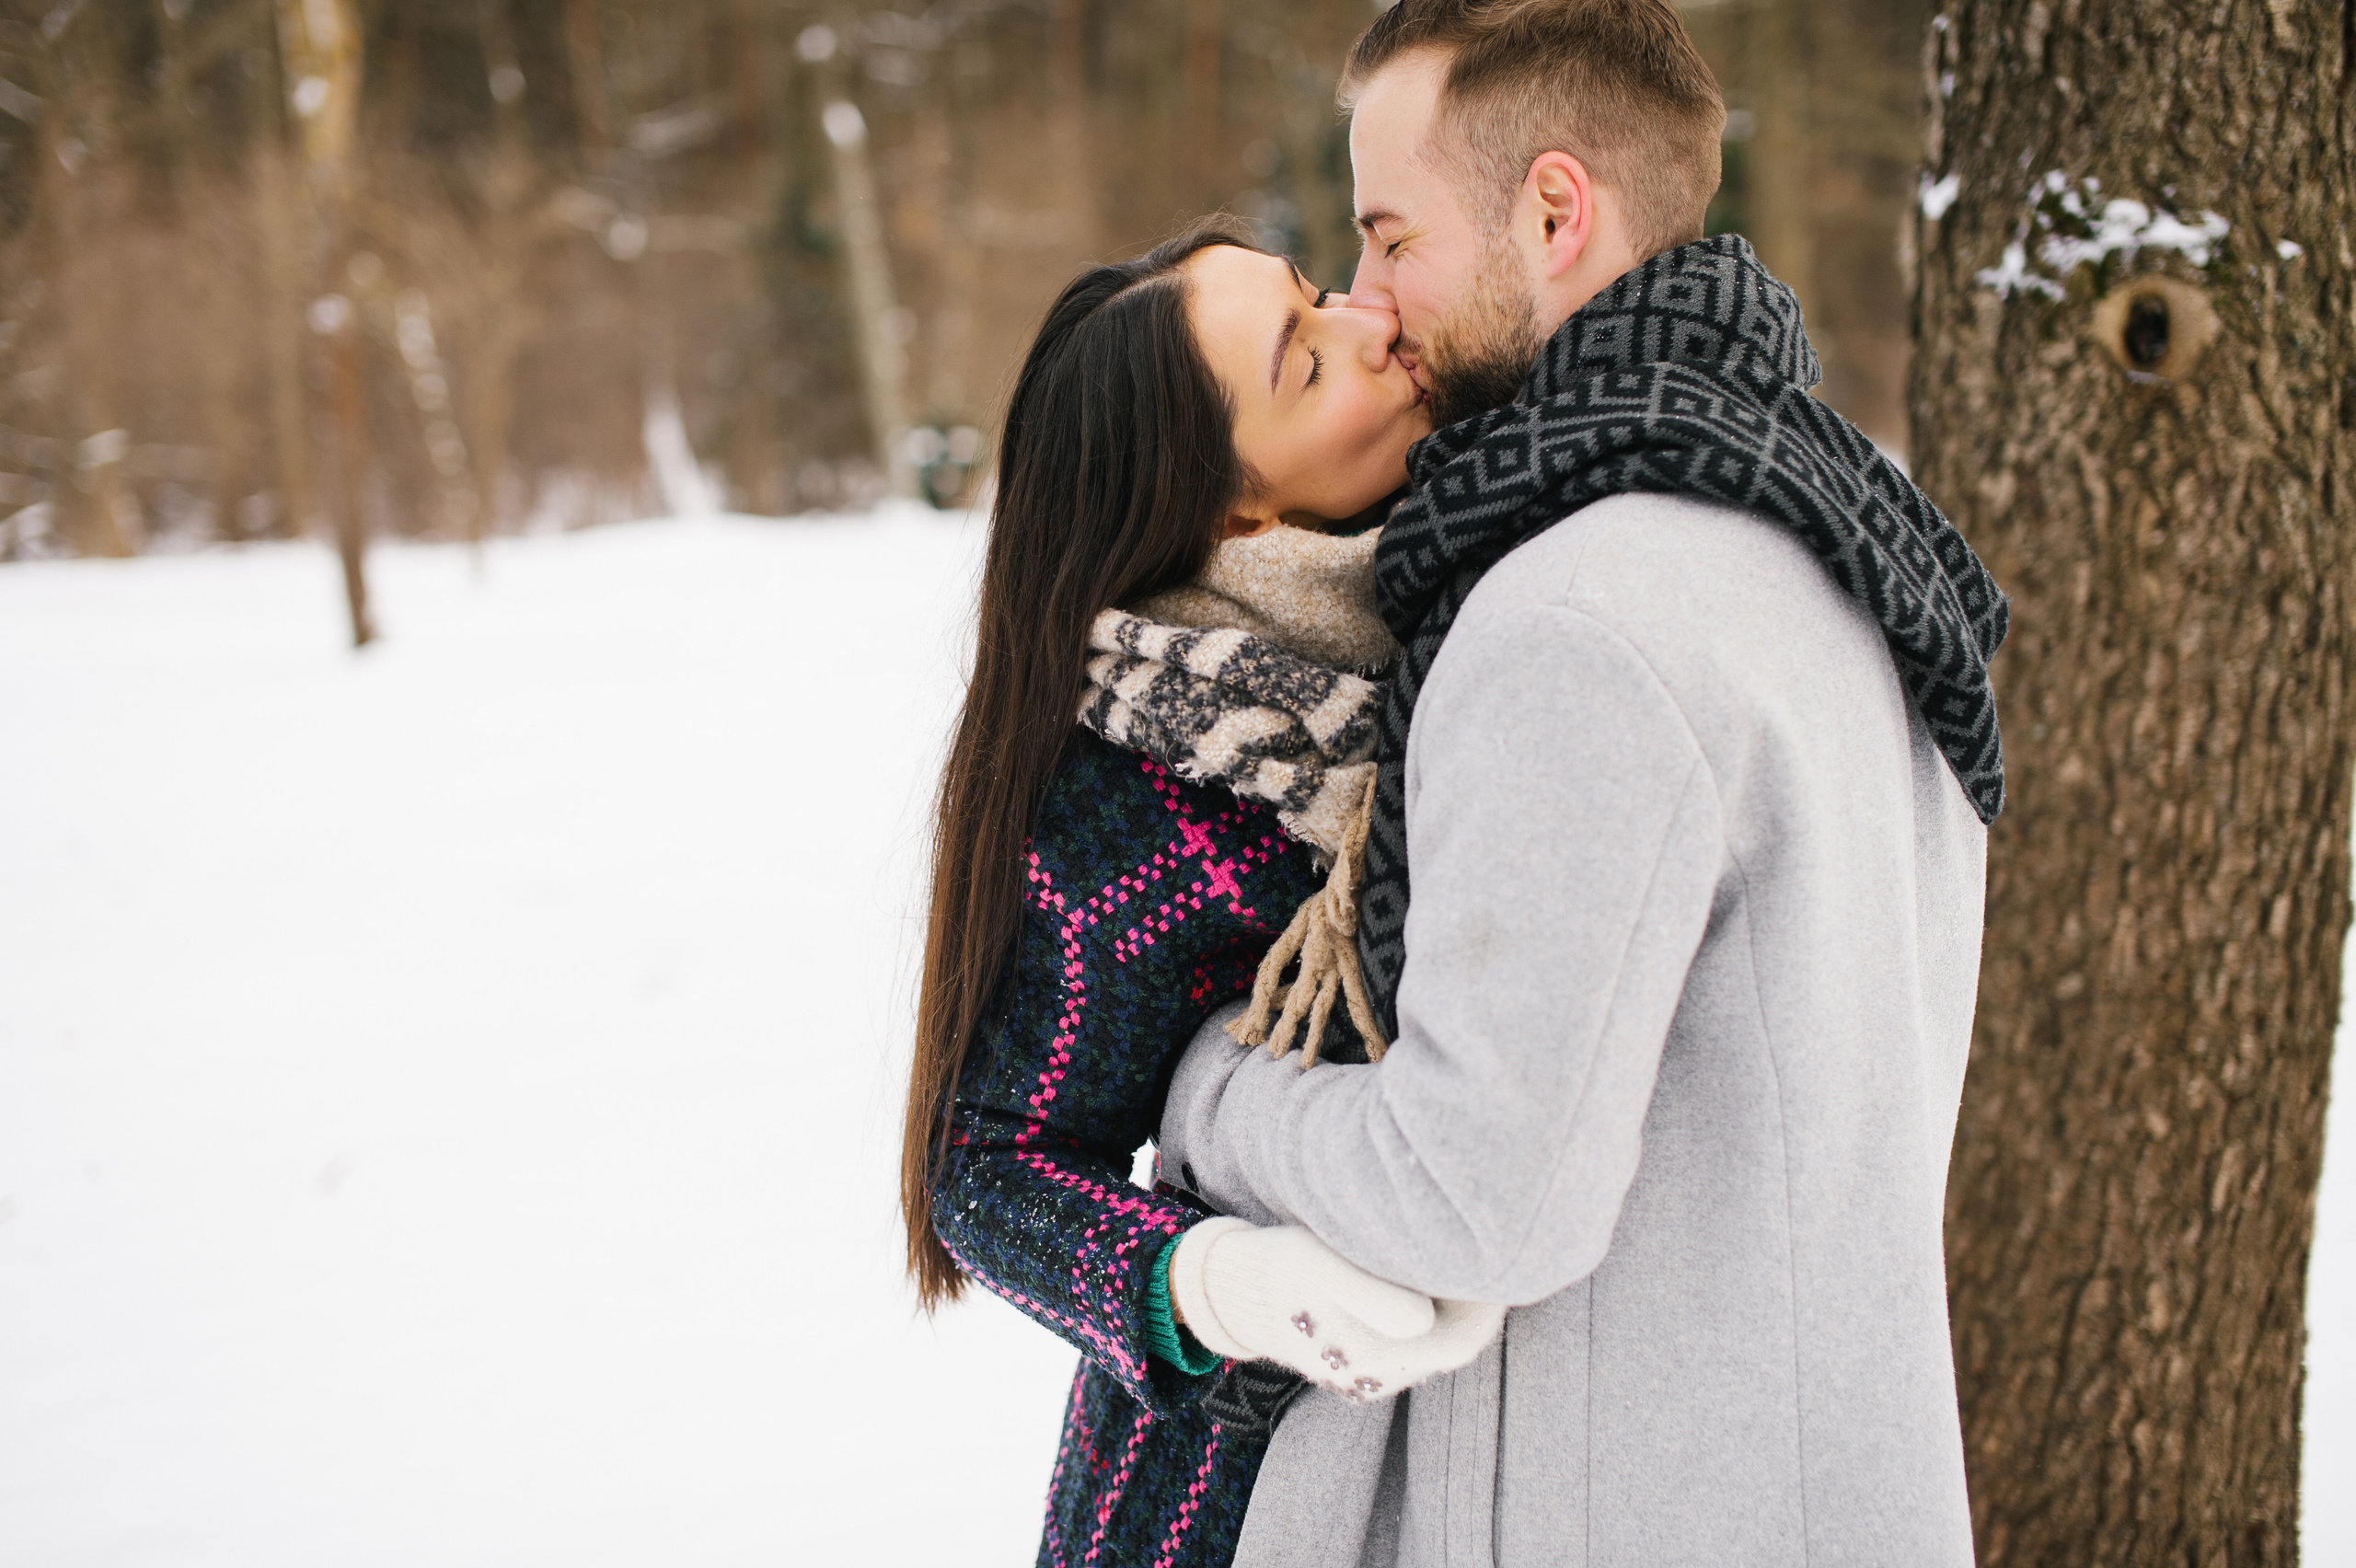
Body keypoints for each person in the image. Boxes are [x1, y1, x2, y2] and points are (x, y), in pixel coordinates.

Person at [1153, 1, 2009, 1565]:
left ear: (1553, 211)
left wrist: (1211, 1088)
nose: (1369, 301)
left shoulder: (1576, 616)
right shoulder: (1846, 511)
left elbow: (1478, 1200)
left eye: (1391, 236)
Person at [900, 216, 1505, 1568]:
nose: (1371, 322)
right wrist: (1218, 1285)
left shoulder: (1493, 556)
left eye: (1314, 293)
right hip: (1221, 1508)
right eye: (1306, 361)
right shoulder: (1129, 792)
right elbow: (983, 1169)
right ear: (1241, 510)